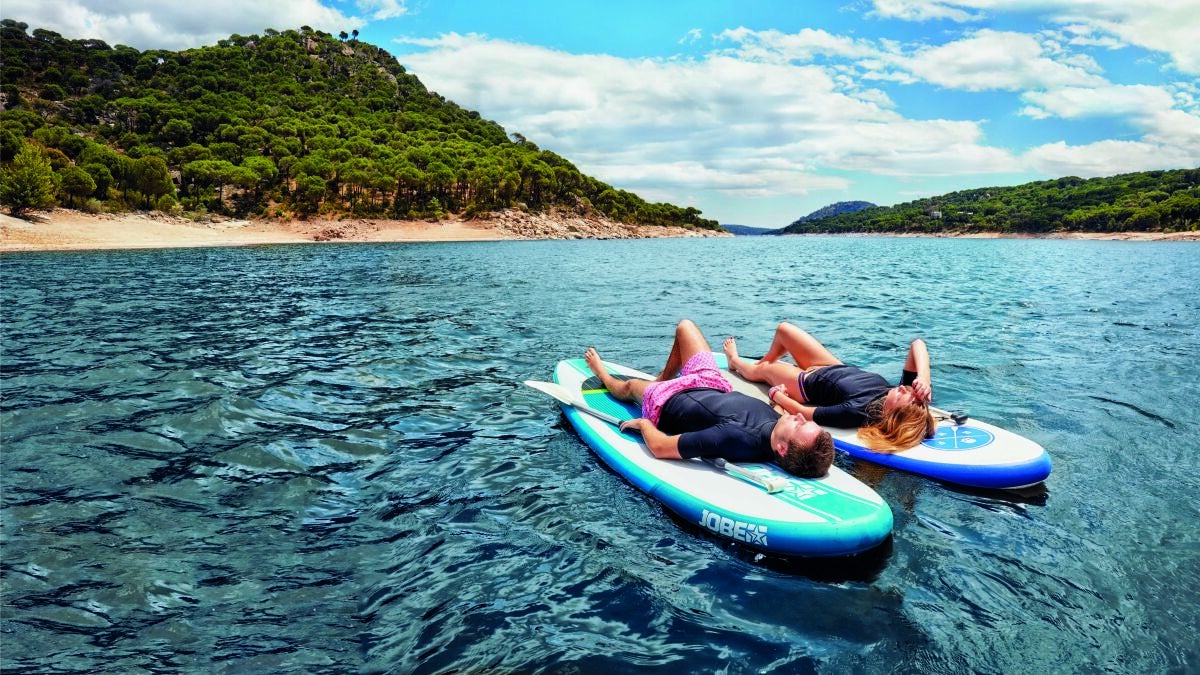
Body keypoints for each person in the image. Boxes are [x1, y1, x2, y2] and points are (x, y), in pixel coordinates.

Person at [584, 320, 834, 478]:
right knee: (685, 327)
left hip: (669, 399)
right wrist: (779, 400)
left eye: (799, 425)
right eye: (805, 420)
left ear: (782, 449)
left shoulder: (732, 437)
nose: (800, 416)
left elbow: (661, 448)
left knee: (629, 387)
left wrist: (644, 424)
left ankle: (602, 374)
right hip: (710, 383)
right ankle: (661, 377)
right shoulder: (777, 429)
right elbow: (777, 415)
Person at [723, 322, 936, 454]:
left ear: (891, 414)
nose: (905, 389)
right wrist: (923, 378)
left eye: (904, 395)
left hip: (804, 383)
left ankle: (735, 361)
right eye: (907, 390)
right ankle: (763, 361)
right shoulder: (894, 392)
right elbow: (917, 344)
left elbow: (805, 412)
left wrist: (777, 395)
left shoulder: (856, 412)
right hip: (831, 366)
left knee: (764, 370)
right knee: (784, 330)